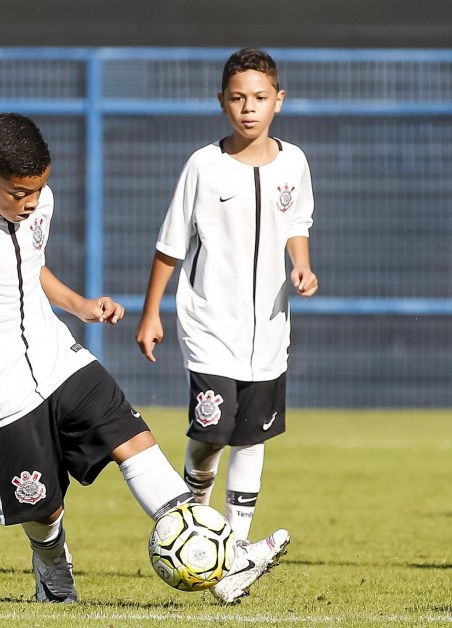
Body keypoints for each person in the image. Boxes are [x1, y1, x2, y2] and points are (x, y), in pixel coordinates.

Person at [0, 112, 281, 604]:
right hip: (0, 391)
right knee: (44, 510)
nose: (32, 202)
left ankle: (226, 564)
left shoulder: (40, 203)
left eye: (39, 189)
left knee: (134, 441)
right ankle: (52, 571)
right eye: (19, 193)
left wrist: (79, 305)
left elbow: (31, 267)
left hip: (59, 358)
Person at [135, 47, 315, 601]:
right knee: (211, 437)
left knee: (253, 438)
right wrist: (151, 315)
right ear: (222, 102)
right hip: (210, 326)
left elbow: (297, 222)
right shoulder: (203, 165)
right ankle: (197, 523)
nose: (248, 107)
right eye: (237, 98)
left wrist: (302, 265)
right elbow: (171, 244)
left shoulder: (294, 163)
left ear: (278, 102)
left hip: (270, 330)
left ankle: (233, 553)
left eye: (260, 98)